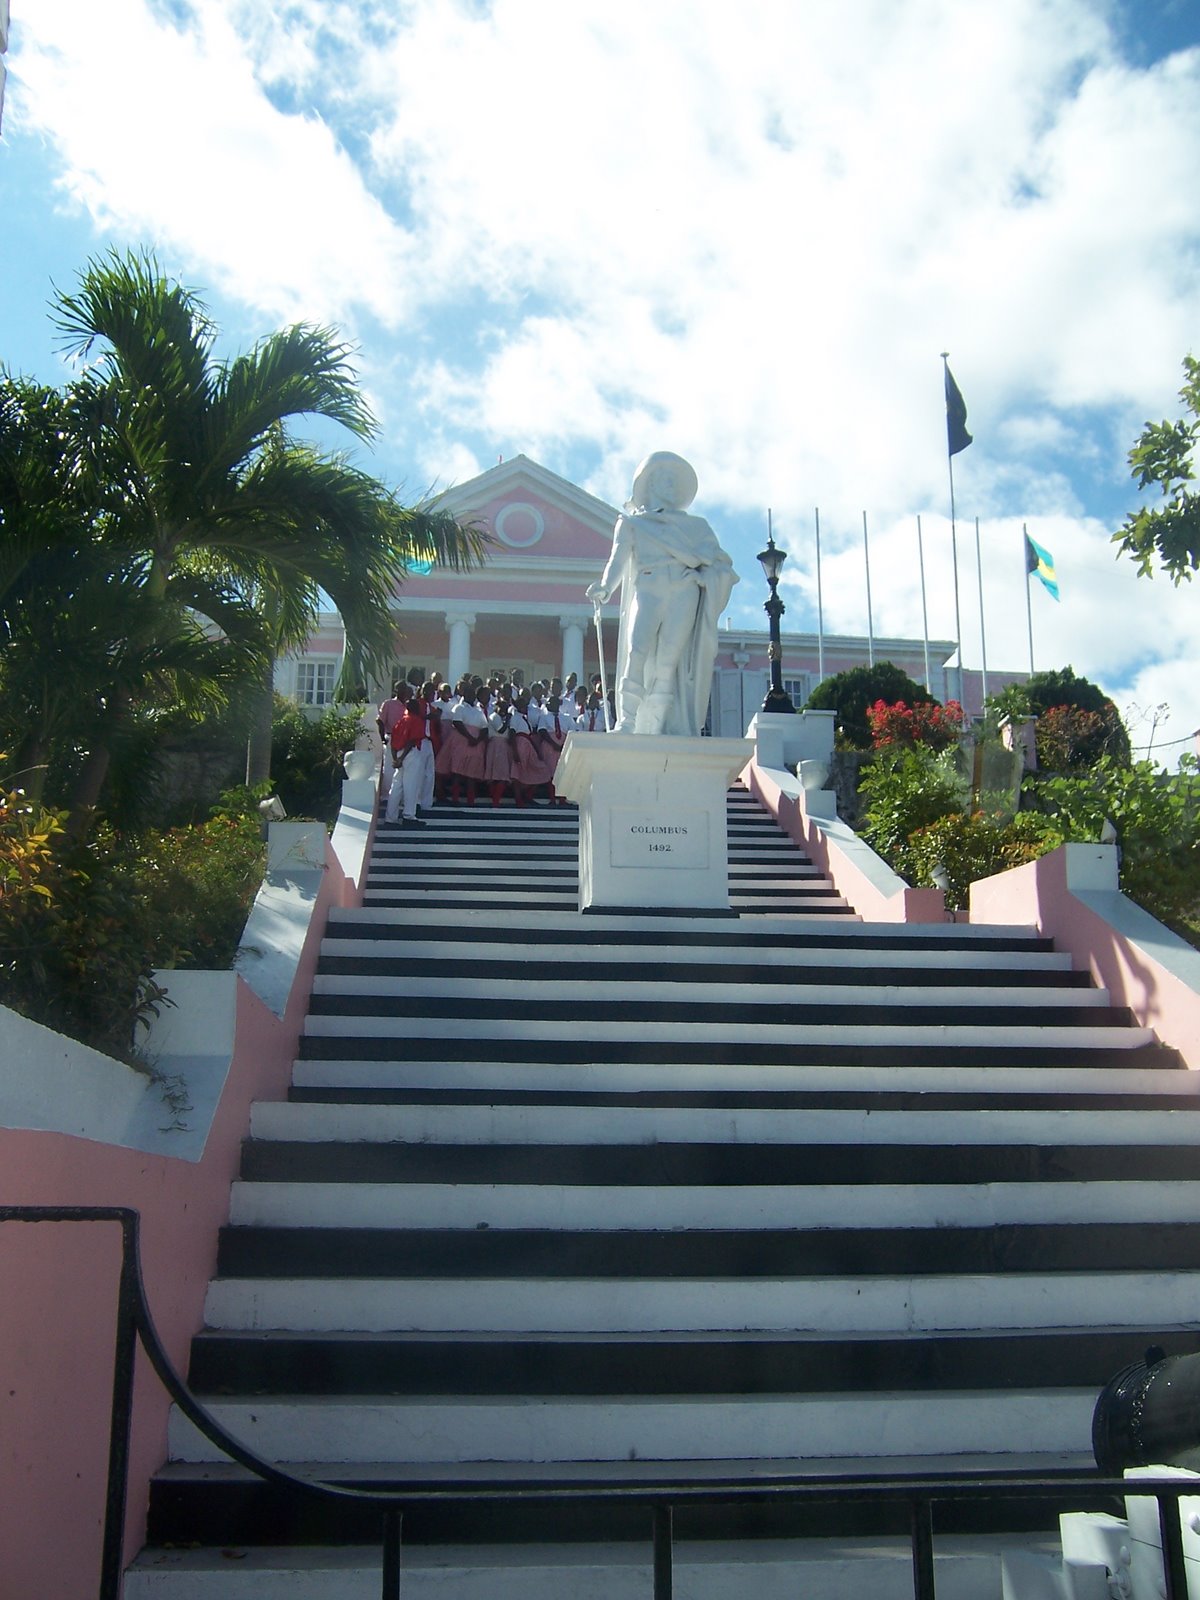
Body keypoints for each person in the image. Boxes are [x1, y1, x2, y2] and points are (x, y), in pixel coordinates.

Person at [586, 452, 738, 736]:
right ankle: (627, 721)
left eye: (675, 481)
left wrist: (702, 576)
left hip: (683, 592)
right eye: (667, 479)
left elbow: (722, 566)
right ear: (652, 484)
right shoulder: (632, 523)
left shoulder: (697, 527)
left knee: (668, 661)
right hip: (649, 586)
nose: (673, 486)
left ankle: (657, 727)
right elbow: (617, 560)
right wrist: (606, 586)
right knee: (637, 650)